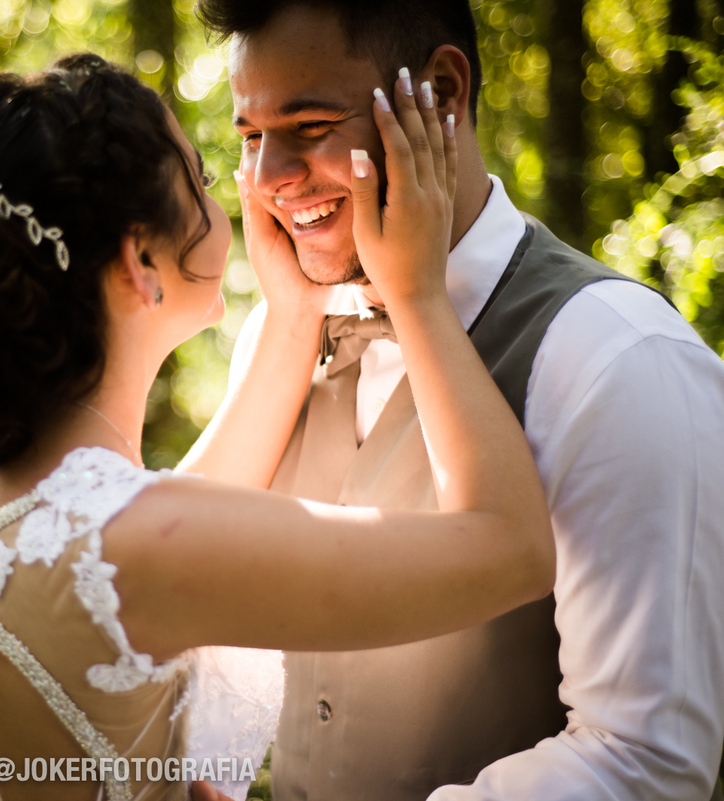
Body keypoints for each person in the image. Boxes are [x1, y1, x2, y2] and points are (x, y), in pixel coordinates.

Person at [0, 53, 553, 801]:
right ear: (140, 259)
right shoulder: (136, 542)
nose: (253, 187)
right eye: (200, 177)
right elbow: (512, 548)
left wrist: (295, 315)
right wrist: (418, 292)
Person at [182, 1, 724, 800]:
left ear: (439, 90)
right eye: (252, 137)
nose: (267, 180)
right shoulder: (285, 328)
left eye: (309, 125)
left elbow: (646, 759)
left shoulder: (618, 355)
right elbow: (186, 590)